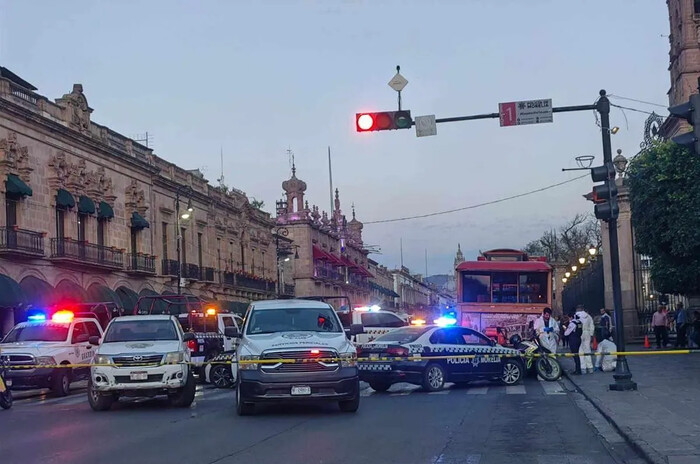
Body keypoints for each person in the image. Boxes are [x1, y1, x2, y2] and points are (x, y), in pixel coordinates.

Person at [575, 305, 595, 374]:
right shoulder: (588, 316)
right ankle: (590, 367)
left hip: (579, 333)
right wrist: (591, 334)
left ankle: (583, 368)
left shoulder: (576, 315)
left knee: (580, 350)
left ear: (578, 309)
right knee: (587, 350)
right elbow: (592, 326)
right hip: (587, 333)